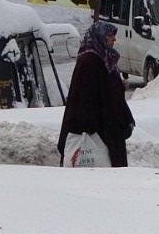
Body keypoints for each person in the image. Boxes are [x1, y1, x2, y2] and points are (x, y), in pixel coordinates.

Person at [58, 20, 135, 167]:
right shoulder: (90, 62)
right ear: (101, 37)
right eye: (110, 35)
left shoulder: (103, 58)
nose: (114, 39)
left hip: (106, 129)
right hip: (98, 131)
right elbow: (87, 99)